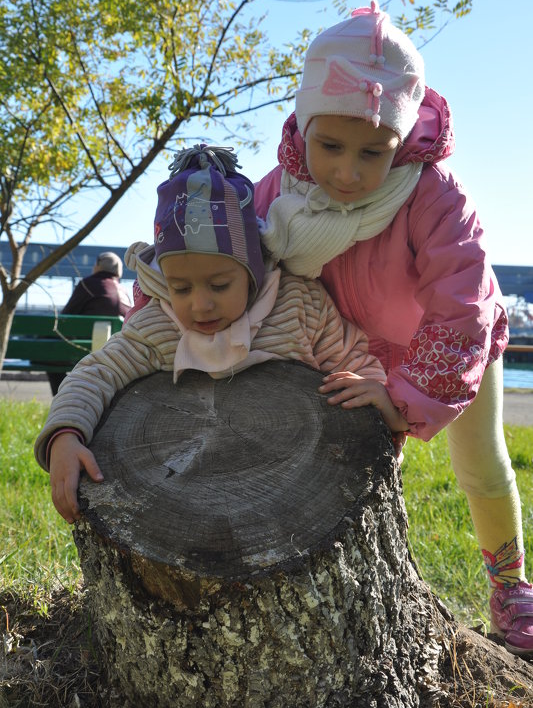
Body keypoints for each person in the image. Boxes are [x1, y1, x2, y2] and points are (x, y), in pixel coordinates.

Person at [252, 0, 533, 657]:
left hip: (450, 346)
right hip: (355, 348)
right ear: (302, 122)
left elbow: (459, 309)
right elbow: (230, 258)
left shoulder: (431, 194)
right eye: (330, 146)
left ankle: (511, 585)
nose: (348, 172)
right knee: (359, 468)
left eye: (372, 153)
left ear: (401, 141)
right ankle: (368, 587)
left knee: (480, 466)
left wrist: (407, 397)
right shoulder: (275, 196)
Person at [35, 144, 400, 528]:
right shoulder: (159, 327)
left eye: (220, 284)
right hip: (187, 497)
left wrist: (380, 399)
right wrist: (65, 435)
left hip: (300, 485)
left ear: (253, 270)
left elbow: (351, 362)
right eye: (181, 288)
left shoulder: (298, 306)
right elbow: (95, 373)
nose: (200, 305)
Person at [47, 251, 132, 395]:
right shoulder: (124, 291)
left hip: (84, 351)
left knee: (48, 353)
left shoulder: (87, 284)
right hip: (118, 353)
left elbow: (65, 319)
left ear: (98, 266)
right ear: (119, 271)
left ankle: (66, 394)